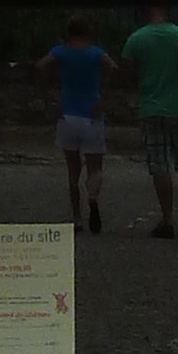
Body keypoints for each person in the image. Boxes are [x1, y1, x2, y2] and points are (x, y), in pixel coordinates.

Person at [122, 0, 178, 238]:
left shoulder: (136, 38)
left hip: (152, 108)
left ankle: (167, 219)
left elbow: (126, 71)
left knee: (159, 164)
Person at [40, 15, 108, 230]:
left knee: (72, 171)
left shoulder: (60, 52)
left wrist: (47, 93)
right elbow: (113, 67)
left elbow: (41, 65)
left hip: (67, 115)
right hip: (92, 116)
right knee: (95, 167)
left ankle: (77, 218)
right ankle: (93, 198)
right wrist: (102, 95)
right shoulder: (95, 53)